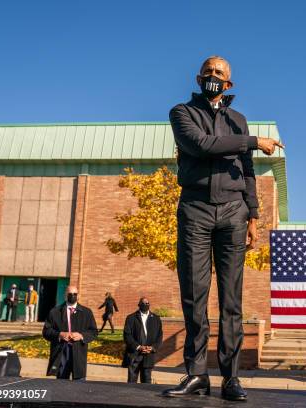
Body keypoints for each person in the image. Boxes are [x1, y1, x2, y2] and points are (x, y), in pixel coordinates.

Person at [162, 55, 283, 401]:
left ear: (229, 84)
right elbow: (201, 145)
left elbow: (247, 172)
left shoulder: (238, 120)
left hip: (234, 214)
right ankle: (196, 374)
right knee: (194, 295)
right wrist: (254, 141)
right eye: (209, 71)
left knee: (232, 300)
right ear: (199, 77)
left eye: (220, 73)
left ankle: (231, 378)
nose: (213, 76)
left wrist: (255, 215)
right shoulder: (182, 113)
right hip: (195, 210)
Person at [42, 285, 98, 381]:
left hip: (79, 351)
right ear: (65, 295)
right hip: (61, 351)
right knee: (61, 384)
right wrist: (59, 334)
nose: (72, 296)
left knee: (79, 385)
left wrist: (81, 336)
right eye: (70, 294)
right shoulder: (55, 312)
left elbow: (93, 331)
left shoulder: (86, 312)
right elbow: (46, 331)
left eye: (75, 294)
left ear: (78, 296)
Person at [122, 297, 163, 383]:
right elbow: (127, 335)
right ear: (139, 305)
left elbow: (159, 336)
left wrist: (152, 348)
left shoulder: (156, 318)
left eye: (147, 303)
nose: (145, 305)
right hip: (134, 355)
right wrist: (138, 347)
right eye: (143, 303)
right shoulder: (131, 318)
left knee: (146, 382)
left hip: (148, 355)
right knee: (131, 383)